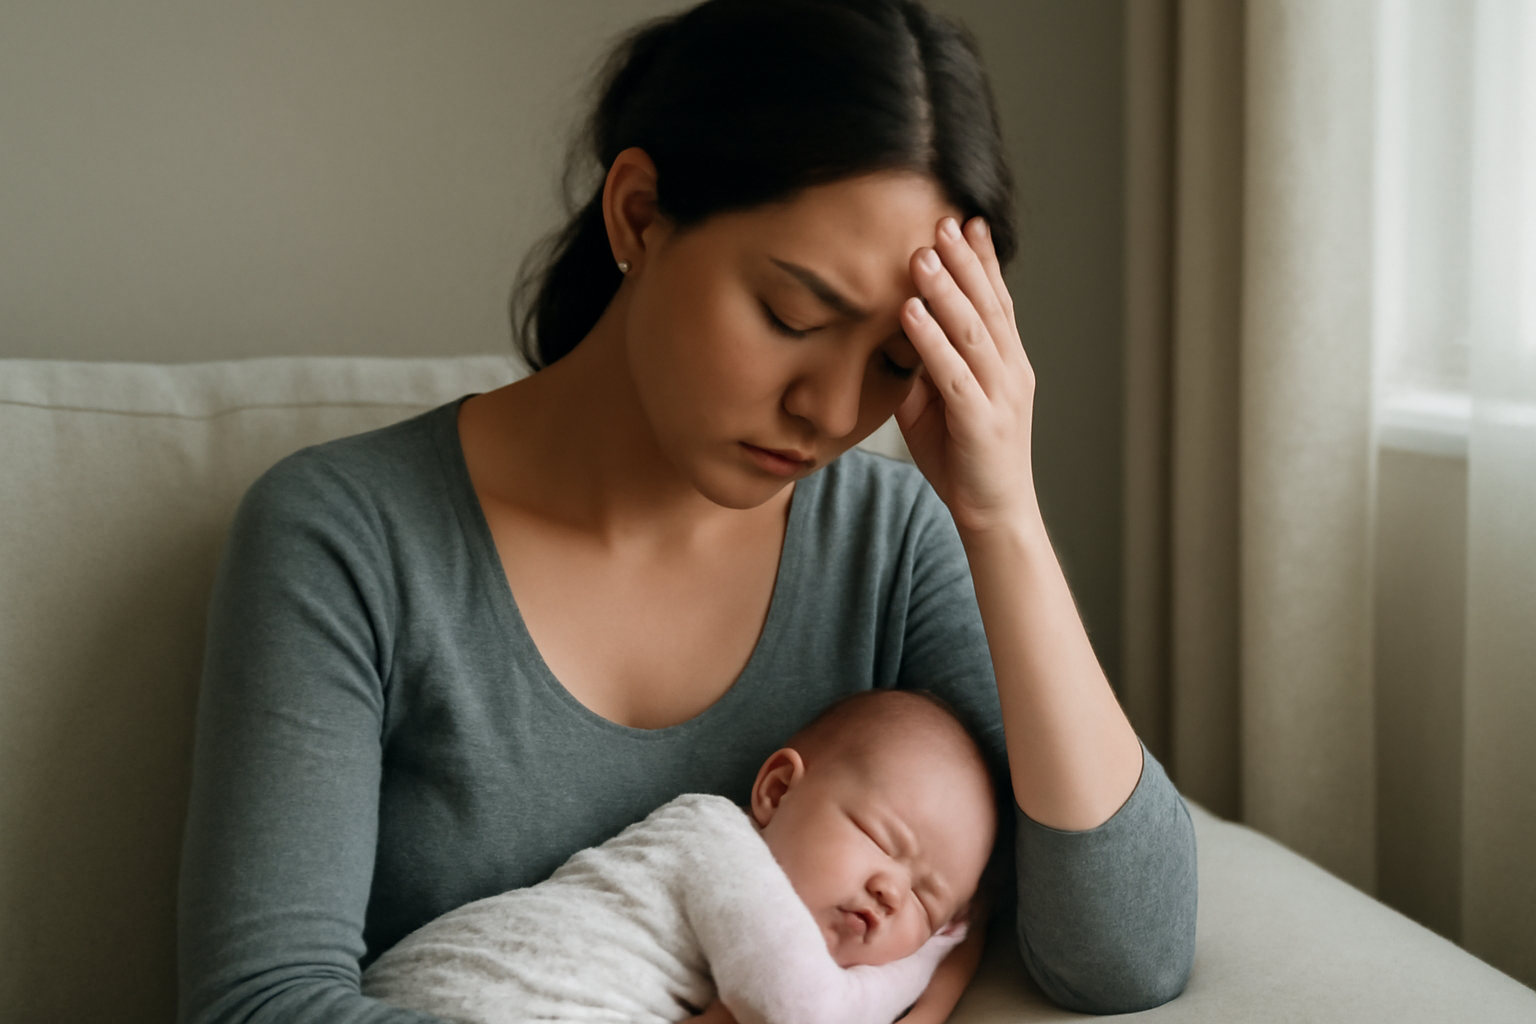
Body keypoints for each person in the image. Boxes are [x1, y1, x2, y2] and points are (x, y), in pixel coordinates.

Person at [176, 1, 1198, 1022]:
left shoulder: (889, 553)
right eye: (792, 317)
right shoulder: (346, 538)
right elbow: (260, 1004)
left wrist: (1003, 516)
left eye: (894, 359)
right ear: (639, 214)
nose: (834, 412)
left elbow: (1123, 954)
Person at [359, 691, 997, 1024]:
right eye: (883, 838)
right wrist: (940, 956)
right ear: (778, 790)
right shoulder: (713, 839)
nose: (892, 890)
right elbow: (806, 1015)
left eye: (925, 901)